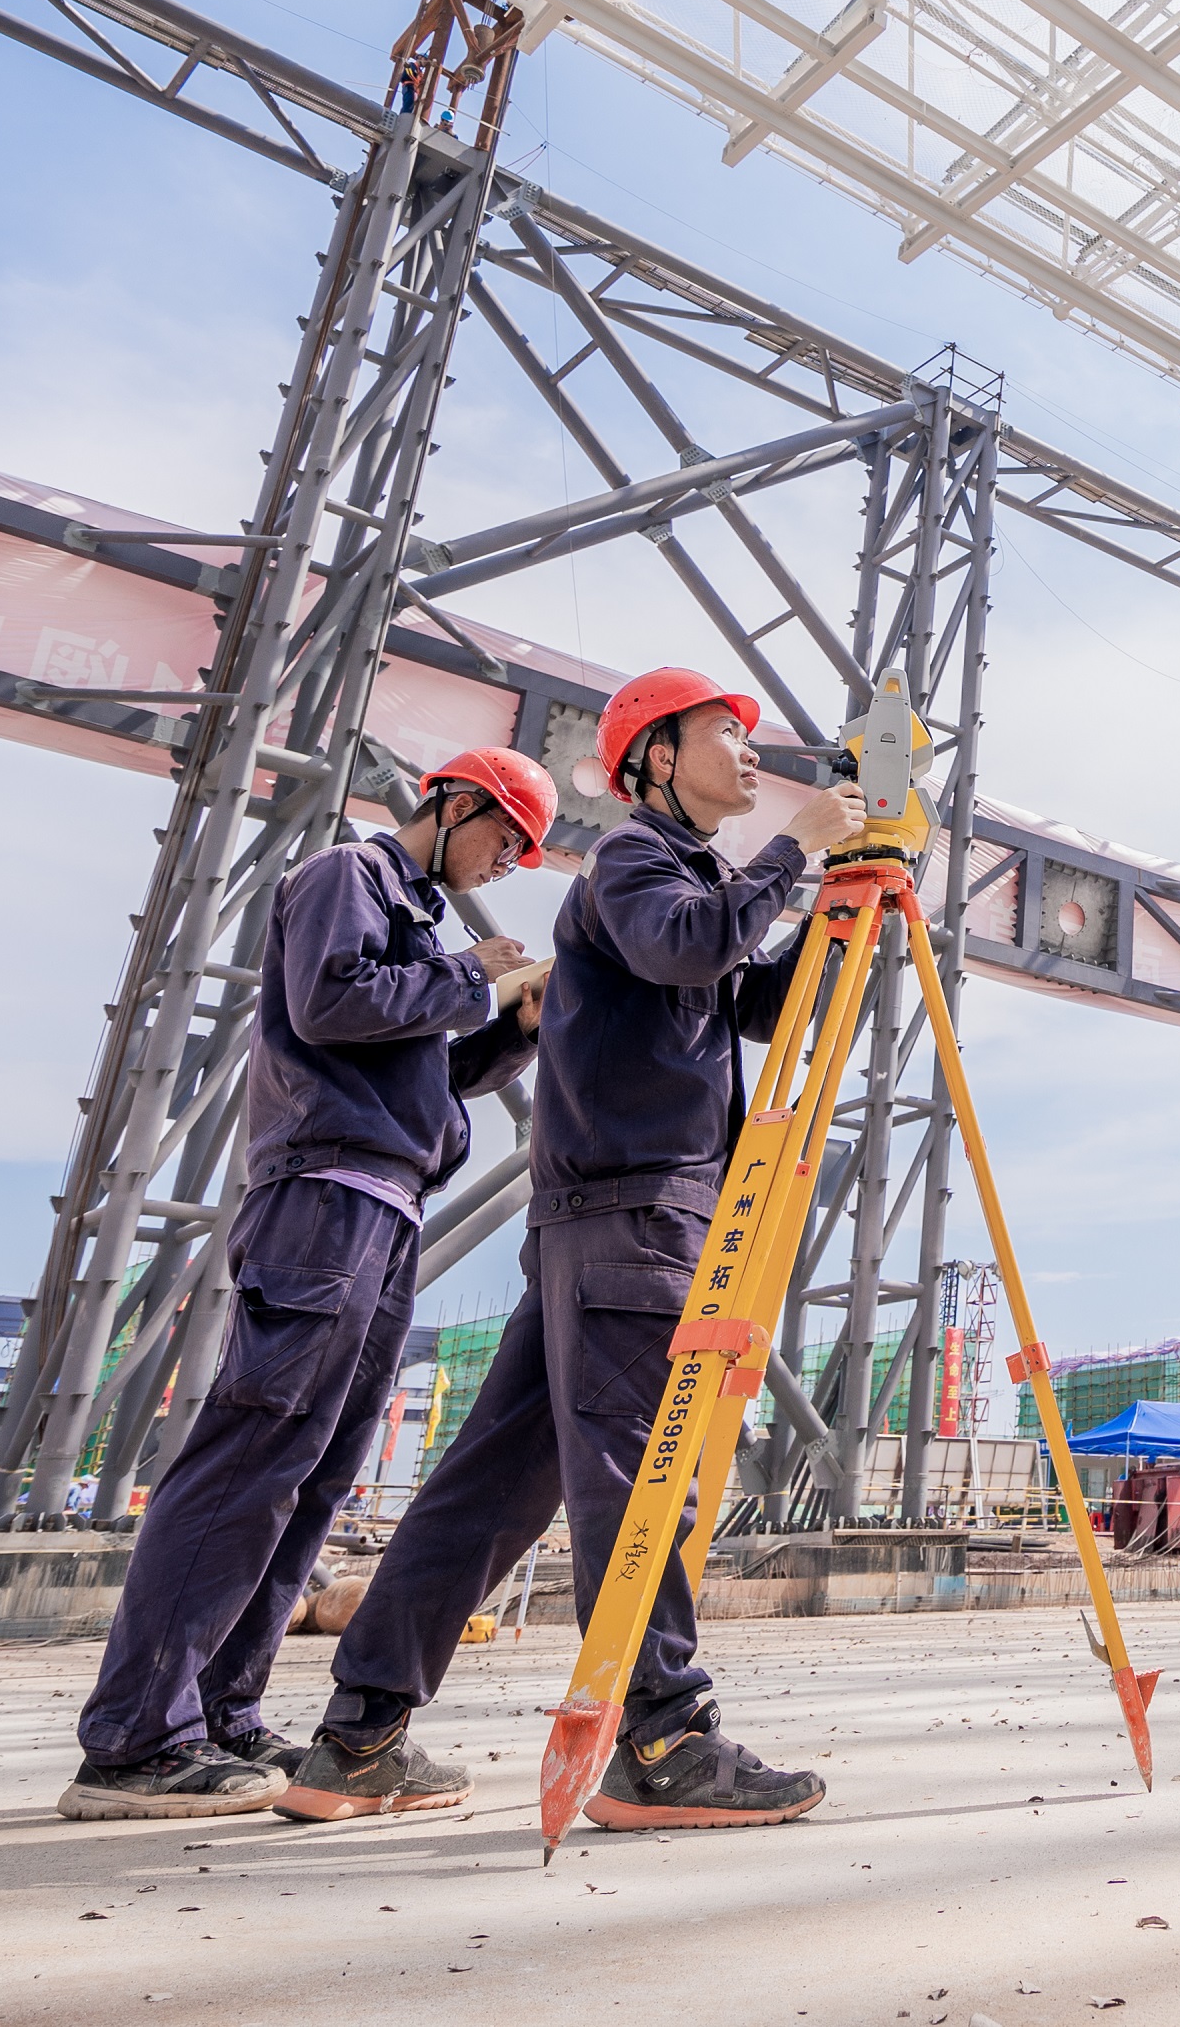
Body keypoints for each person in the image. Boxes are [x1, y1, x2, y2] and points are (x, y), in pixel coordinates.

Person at [283, 667, 863, 1831]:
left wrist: (852, 907)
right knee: (641, 1480)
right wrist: (796, 849)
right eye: (724, 733)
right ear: (652, 753)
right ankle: (658, 1734)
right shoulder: (638, 862)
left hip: (599, 1221)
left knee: (486, 1488)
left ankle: (356, 1737)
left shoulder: (689, 876)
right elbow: (693, 947)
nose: (751, 756)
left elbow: (748, 993)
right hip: (633, 1214)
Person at [53, 747, 559, 1823]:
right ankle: (137, 1735)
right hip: (322, 1195)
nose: (505, 862)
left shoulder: (417, 926)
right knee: (255, 1452)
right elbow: (333, 1005)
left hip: (383, 1206)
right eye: (503, 837)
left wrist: (508, 1029)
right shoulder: (348, 877)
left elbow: (420, 1063)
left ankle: (223, 1708)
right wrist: (478, 974)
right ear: (457, 800)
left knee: (317, 1471)